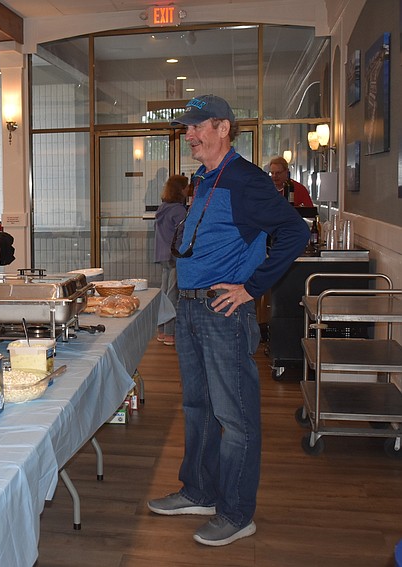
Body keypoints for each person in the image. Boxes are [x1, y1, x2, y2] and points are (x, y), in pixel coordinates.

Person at [147, 95, 308, 546]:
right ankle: (199, 490)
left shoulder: (246, 179)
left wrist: (252, 287)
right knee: (198, 407)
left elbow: (295, 231)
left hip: (224, 312)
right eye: (187, 128)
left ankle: (237, 513)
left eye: (198, 127)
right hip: (193, 308)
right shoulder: (205, 177)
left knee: (235, 418)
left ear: (223, 128)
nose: (190, 135)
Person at [153, 173, 188, 346]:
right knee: (173, 293)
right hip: (174, 255)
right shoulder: (180, 210)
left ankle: (160, 330)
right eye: (187, 186)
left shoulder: (162, 208)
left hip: (162, 255)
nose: (189, 189)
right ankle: (169, 333)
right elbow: (182, 235)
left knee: (164, 292)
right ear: (181, 189)